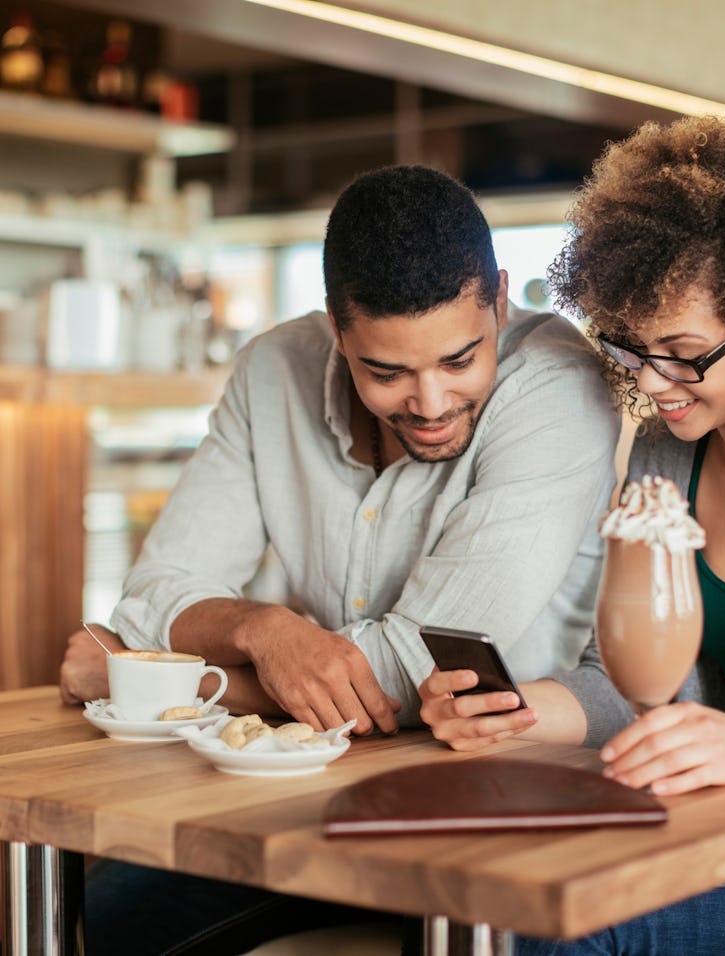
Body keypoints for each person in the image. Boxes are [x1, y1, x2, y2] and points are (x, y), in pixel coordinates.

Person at [61, 163, 619, 955]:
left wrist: (152, 678)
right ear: (335, 326)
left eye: (459, 361)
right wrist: (265, 630)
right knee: (101, 919)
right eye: (386, 372)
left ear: (499, 297)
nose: (428, 403)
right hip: (309, 782)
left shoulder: (556, 386)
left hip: (499, 801)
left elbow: (412, 663)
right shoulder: (270, 372)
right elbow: (152, 597)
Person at [417, 115, 725, 955]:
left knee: (570, 915)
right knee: (487, 883)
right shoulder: (667, 451)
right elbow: (632, 681)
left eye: (681, 353)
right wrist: (524, 712)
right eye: (632, 347)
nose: (649, 381)